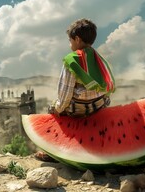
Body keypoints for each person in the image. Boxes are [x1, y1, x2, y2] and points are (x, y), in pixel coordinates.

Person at [35, 18, 116, 161]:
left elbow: (64, 96)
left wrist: (57, 109)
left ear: (77, 39)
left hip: (76, 110)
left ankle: (54, 153)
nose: (70, 43)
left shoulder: (71, 60)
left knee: (52, 109)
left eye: (70, 40)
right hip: (98, 107)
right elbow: (108, 87)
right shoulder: (100, 59)